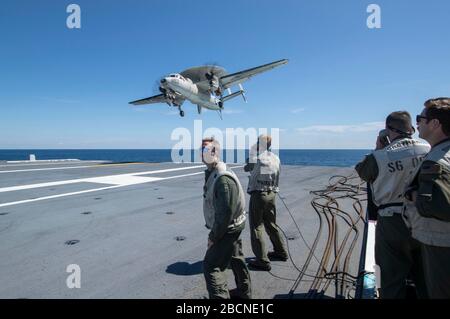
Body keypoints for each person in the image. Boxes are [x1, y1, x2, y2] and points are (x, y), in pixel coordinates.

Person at [355, 111, 430, 299]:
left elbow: (363, 172)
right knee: (426, 276)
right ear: (411, 128)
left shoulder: (381, 156)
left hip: (392, 220)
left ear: (387, 130)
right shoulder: (430, 147)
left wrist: (378, 148)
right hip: (425, 218)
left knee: (388, 277)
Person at [404, 97, 450, 299]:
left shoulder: (436, 160)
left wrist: (413, 195)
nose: (417, 123)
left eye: (420, 118)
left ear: (435, 123)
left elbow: (437, 205)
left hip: (440, 241)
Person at [201, 137, 252, 299]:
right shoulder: (213, 171)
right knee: (236, 258)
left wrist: (213, 237)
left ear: (215, 152)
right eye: (201, 150)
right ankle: (244, 293)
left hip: (227, 228)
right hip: (234, 224)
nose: (202, 154)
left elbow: (225, 215)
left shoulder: (222, 178)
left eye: (206, 150)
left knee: (212, 266)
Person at [244, 135, 287, 271]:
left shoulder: (257, 157)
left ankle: (262, 260)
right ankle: (280, 252)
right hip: (271, 193)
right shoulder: (275, 157)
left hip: (259, 194)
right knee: (271, 224)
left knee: (257, 227)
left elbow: (247, 168)